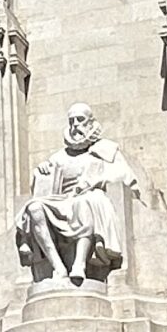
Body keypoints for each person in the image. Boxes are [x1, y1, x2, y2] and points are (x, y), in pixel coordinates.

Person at [17, 104, 142, 287]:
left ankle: (79, 264)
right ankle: (58, 267)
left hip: (87, 198)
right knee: (34, 208)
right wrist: (40, 171)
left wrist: (96, 181)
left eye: (80, 120)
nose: (76, 125)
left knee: (85, 202)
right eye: (72, 121)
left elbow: (126, 177)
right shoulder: (60, 156)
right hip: (62, 200)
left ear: (91, 122)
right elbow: (43, 185)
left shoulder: (106, 150)